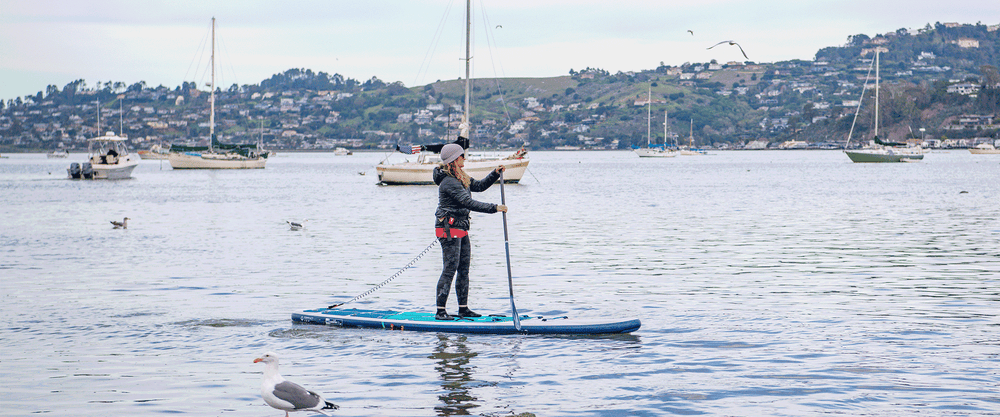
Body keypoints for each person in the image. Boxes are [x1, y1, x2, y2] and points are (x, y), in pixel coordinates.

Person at [432, 142, 507, 320]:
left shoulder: (460, 176)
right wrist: (494, 208)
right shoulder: (449, 181)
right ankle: (440, 311)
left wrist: (494, 174)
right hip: (448, 228)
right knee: (450, 269)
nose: (464, 158)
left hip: (461, 227)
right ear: (453, 160)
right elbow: (468, 203)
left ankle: (463, 309)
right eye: (461, 156)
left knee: (464, 269)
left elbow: (479, 186)